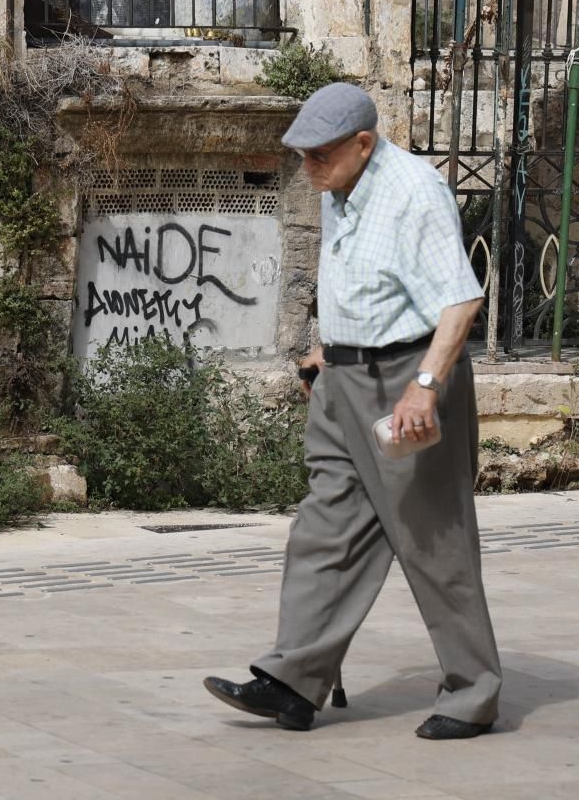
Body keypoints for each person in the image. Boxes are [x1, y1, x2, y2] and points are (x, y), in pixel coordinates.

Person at [203, 82, 502, 741]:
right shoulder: (340, 185)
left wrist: (425, 386)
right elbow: (352, 282)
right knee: (324, 529)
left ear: (363, 143)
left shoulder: (413, 194)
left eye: (318, 154)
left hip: (408, 379)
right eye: (301, 154)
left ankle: (473, 691)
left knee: (434, 541)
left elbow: (460, 300)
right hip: (343, 380)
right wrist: (322, 352)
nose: (306, 167)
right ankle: (293, 680)